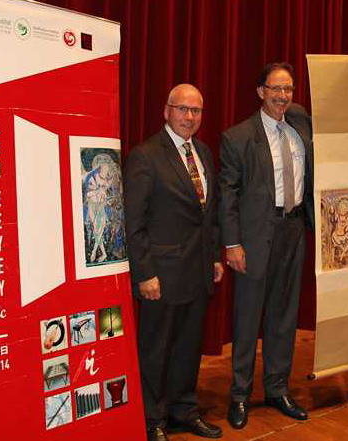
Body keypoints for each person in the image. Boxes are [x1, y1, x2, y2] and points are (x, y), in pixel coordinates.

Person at [124, 84, 223, 441]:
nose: (189, 117)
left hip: (197, 270)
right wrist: (144, 273)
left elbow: (208, 213)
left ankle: (184, 410)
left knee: (187, 348)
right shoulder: (145, 155)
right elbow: (133, 222)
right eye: (182, 109)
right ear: (166, 111)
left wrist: (214, 256)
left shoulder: (203, 152)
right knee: (156, 350)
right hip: (161, 276)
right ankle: (152, 419)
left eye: (196, 111)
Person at [219, 62, 314, 429]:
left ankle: (277, 388)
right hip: (255, 236)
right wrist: (232, 243)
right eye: (276, 89)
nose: (283, 96)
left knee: (284, 315)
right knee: (247, 318)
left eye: (288, 89)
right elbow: (228, 196)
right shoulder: (238, 137)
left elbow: (331, 150)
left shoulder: (301, 125)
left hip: (294, 230)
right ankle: (239, 395)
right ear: (261, 92)